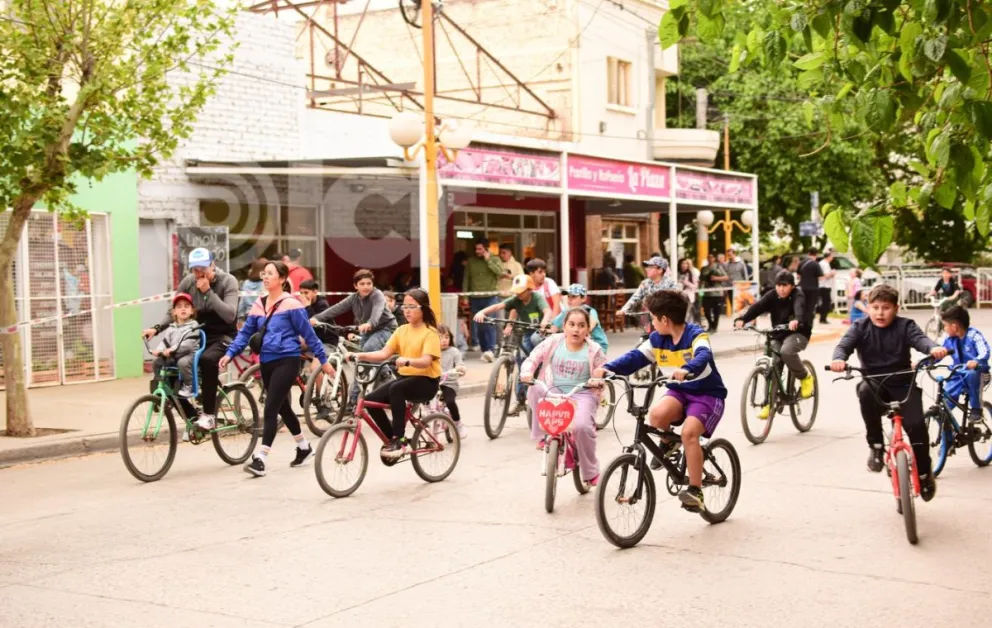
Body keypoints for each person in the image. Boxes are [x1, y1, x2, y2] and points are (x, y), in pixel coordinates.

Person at [595, 290, 727, 513]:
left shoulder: (696, 335)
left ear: (664, 319)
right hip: (680, 392)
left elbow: (703, 355)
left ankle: (695, 490)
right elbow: (635, 357)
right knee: (656, 415)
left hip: (707, 394)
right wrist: (608, 369)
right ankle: (670, 444)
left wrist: (687, 369)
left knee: (689, 434)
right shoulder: (657, 339)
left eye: (653, 318)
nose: (651, 322)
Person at [830, 284, 948, 501]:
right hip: (875, 384)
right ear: (868, 308)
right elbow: (844, 345)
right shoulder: (860, 326)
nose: (880, 312)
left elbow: (920, 340)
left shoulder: (905, 326)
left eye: (886, 307)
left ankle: (924, 473)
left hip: (903, 384)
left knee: (916, 426)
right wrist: (839, 359)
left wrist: (932, 348)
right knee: (864, 391)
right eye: (875, 307)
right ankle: (876, 446)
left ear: (896, 308)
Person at [220, 261, 334, 477]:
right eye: (264, 273)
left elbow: (309, 335)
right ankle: (304, 448)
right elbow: (245, 334)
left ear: (282, 279)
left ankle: (261, 458)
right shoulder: (259, 304)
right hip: (267, 361)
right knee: (282, 407)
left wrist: (323, 360)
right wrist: (230, 353)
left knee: (270, 407)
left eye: (270, 274)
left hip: (288, 360)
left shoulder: (292, 304)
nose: (265, 277)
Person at [144, 247, 239, 431]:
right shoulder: (188, 282)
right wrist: (156, 329)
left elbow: (230, 315)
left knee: (207, 360)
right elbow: (174, 311)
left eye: (202, 268)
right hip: (195, 335)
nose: (198, 273)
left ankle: (209, 415)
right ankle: (192, 418)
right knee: (167, 368)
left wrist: (209, 292)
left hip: (223, 336)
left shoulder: (228, 281)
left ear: (212, 264)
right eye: (195, 269)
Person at [348, 288, 442, 458]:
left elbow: (427, 361)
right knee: (369, 400)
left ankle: (399, 439)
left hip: (427, 381)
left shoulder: (431, 333)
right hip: (406, 378)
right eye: (404, 306)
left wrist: (407, 360)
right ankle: (392, 437)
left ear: (423, 309)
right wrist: (358, 355)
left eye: (412, 307)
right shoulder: (401, 330)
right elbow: (383, 354)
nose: (407, 310)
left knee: (396, 389)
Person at [521, 307, 608, 486]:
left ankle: (590, 472)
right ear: (564, 326)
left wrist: (599, 377)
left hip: (582, 393)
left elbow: (603, 371)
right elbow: (533, 357)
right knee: (535, 388)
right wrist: (527, 372)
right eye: (572, 324)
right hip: (555, 389)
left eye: (581, 325)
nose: (576, 329)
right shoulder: (553, 341)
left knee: (582, 427)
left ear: (588, 329)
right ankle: (542, 436)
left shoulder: (594, 349)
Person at [313, 269, 399, 409]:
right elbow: (336, 308)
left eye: (369, 283)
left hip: (385, 328)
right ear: (355, 286)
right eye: (362, 283)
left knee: (368, 350)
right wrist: (317, 318)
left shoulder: (377, 295)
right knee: (360, 363)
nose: (366, 286)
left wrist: (370, 323)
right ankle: (354, 400)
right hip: (367, 331)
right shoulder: (354, 298)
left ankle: (385, 374)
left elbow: (376, 313)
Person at [734, 271, 815, 417]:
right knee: (773, 364)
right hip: (778, 333)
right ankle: (769, 402)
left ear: (792, 286)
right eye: (778, 285)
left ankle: (805, 377)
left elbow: (799, 307)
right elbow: (758, 307)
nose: (781, 289)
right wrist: (743, 319)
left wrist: (796, 319)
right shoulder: (772, 295)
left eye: (785, 286)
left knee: (786, 351)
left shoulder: (798, 294)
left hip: (798, 333)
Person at [473, 274, 553, 414]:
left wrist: (545, 321)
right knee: (522, 364)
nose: (518, 294)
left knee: (535, 340)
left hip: (539, 333)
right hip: (526, 333)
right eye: (516, 291)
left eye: (521, 291)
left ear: (529, 289)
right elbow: (498, 306)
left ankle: (541, 366)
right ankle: (520, 400)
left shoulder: (537, 298)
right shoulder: (516, 300)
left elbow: (547, 310)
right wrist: (482, 312)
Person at [940, 306, 990, 422]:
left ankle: (976, 409)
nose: (944, 328)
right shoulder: (950, 340)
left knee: (972, 374)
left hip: (979, 373)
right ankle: (947, 437)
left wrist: (976, 361)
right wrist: (922, 362)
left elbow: (985, 351)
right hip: (959, 374)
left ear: (954, 327)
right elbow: (939, 353)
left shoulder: (974, 336)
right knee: (944, 408)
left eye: (945, 325)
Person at [150, 293, 201, 399]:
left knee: (182, 363)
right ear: (174, 312)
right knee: (157, 362)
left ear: (192, 311)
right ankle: (164, 385)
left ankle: (189, 386)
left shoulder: (194, 326)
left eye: (186, 306)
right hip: (174, 354)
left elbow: (187, 345)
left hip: (189, 354)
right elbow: (165, 342)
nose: (183, 309)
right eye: (179, 306)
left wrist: (171, 350)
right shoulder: (171, 328)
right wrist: (158, 350)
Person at [464, 238, 505, 362]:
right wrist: (465, 297)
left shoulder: (495, 259)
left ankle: (491, 350)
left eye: (480, 249)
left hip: (491, 297)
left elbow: (499, 272)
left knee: (490, 323)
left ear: (486, 249)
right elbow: (467, 279)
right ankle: (484, 350)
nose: (477, 251)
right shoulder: (471, 262)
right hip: (476, 298)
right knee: (480, 325)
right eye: (476, 249)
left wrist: (488, 261)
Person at [550, 284, 608, 353]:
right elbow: (553, 327)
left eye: (574, 296)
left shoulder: (589, 310)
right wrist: (545, 328)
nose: (570, 299)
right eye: (568, 296)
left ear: (583, 298)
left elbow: (592, 324)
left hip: (596, 344)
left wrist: (585, 328)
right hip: (578, 342)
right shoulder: (567, 311)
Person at [618, 255, 677, 323]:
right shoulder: (645, 283)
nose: (647, 269)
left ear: (660, 270)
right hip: (648, 320)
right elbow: (635, 297)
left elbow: (675, 302)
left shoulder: (670, 283)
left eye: (651, 267)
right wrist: (624, 310)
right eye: (647, 267)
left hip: (665, 320)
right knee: (649, 331)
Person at [438, 324, 469, 440]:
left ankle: (458, 423)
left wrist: (460, 368)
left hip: (449, 383)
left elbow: (460, 364)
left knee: (450, 401)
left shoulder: (454, 351)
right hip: (434, 383)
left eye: (446, 337)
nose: (444, 340)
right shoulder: (432, 351)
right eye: (440, 337)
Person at [699, 253, 729, 332]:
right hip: (706, 292)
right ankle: (710, 325)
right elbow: (701, 280)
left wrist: (716, 278)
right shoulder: (704, 268)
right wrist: (700, 289)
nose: (710, 259)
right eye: (708, 257)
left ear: (714, 258)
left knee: (717, 311)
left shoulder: (718, 267)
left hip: (717, 292)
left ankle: (714, 327)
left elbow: (726, 277)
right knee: (706, 311)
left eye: (711, 257)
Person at [797, 248, 824, 327]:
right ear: (816, 255)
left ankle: (800, 322)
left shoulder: (801, 263)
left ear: (808, 254)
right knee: (810, 308)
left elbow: (798, 276)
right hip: (813, 289)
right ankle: (808, 324)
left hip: (802, 288)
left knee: (802, 306)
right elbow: (821, 277)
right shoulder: (815, 264)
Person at [237, 258, 267, 325]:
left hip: (248, 315)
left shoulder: (246, 283)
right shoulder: (264, 284)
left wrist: (240, 317)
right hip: (261, 315)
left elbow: (242, 302)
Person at [677, 258, 700, 324]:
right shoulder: (677, 273)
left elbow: (695, 286)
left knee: (687, 314)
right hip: (678, 296)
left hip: (688, 296)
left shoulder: (691, 273)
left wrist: (686, 283)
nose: (684, 265)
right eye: (683, 263)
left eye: (686, 263)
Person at [818, 249, 837, 324]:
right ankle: (823, 319)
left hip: (822, 285)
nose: (832, 258)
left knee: (824, 302)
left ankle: (822, 318)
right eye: (832, 256)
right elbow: (826, 275)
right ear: (828, 256)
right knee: (826, 302)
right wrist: (832, 273)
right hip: (824, 286)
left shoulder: (822, 263)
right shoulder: (825, 264)